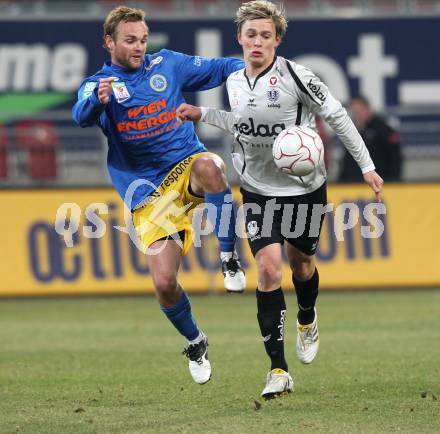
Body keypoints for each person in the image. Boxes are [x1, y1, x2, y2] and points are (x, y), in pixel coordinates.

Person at [176, 0, 384, 398]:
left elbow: (338, 116)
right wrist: (203, 114)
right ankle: (278, 369)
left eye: (265, 36)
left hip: (304, 190)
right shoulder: (234, 79)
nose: (257, 42)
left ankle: (307, 317)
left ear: (277, 40)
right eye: (250, 35)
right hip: (256, 189)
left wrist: (367, 166)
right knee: (269, 271)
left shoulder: (296, 75)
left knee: (301, 266)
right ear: (239, 38)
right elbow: (242, 123)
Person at [72, 6, 246, 385]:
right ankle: (196, 342)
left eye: (143, 39)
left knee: (211, 170)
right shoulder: (98, 84)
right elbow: (80, 114)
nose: (139, 47)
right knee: (164, 284)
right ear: (110, 42)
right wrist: (96, 101)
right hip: (149, 195)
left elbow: (221, 68)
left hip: (185, 166)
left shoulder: (168, 64)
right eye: (130, 40)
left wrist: (257, 68)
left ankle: (230, 260)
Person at [339, 95, 402, 182]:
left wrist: (393, 182)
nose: (357, 115)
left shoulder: (383, 130)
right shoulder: (351, 132)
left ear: (367, 109)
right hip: (353, 184)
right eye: (354, 112)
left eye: (359, 111)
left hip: (379, 183)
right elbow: (347, 162)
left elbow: (394, 160)